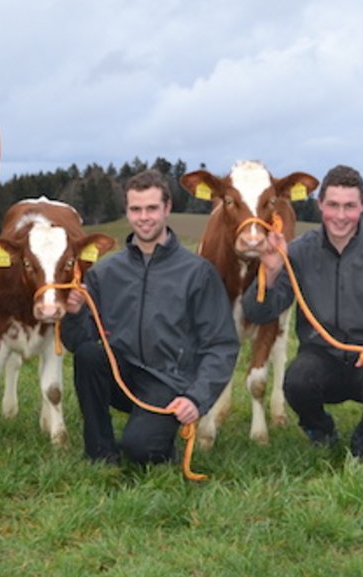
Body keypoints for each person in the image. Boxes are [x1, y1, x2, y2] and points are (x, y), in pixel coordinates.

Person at [243, 164, 363, 461]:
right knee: (296, 381)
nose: (341, 216)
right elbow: (257, 312)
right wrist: (269, 274)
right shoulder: (298, 252)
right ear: (320, 205)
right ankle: (320, 430)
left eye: (349, 206)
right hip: (321, 355)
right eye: (333, 205)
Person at [61, 170, 239, 466]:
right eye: (136, 209)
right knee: (89, 355)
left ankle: (154, 437)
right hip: (123, 373)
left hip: (169, 381)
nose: (144, 217)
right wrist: (74, 313)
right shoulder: (106, 273)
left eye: (152, 208)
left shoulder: (197, 273)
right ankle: (99, 452)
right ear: (127, 211)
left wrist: (196, 398)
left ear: (167, 209)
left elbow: (222, 345)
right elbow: (76, 342)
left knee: (141, 451)